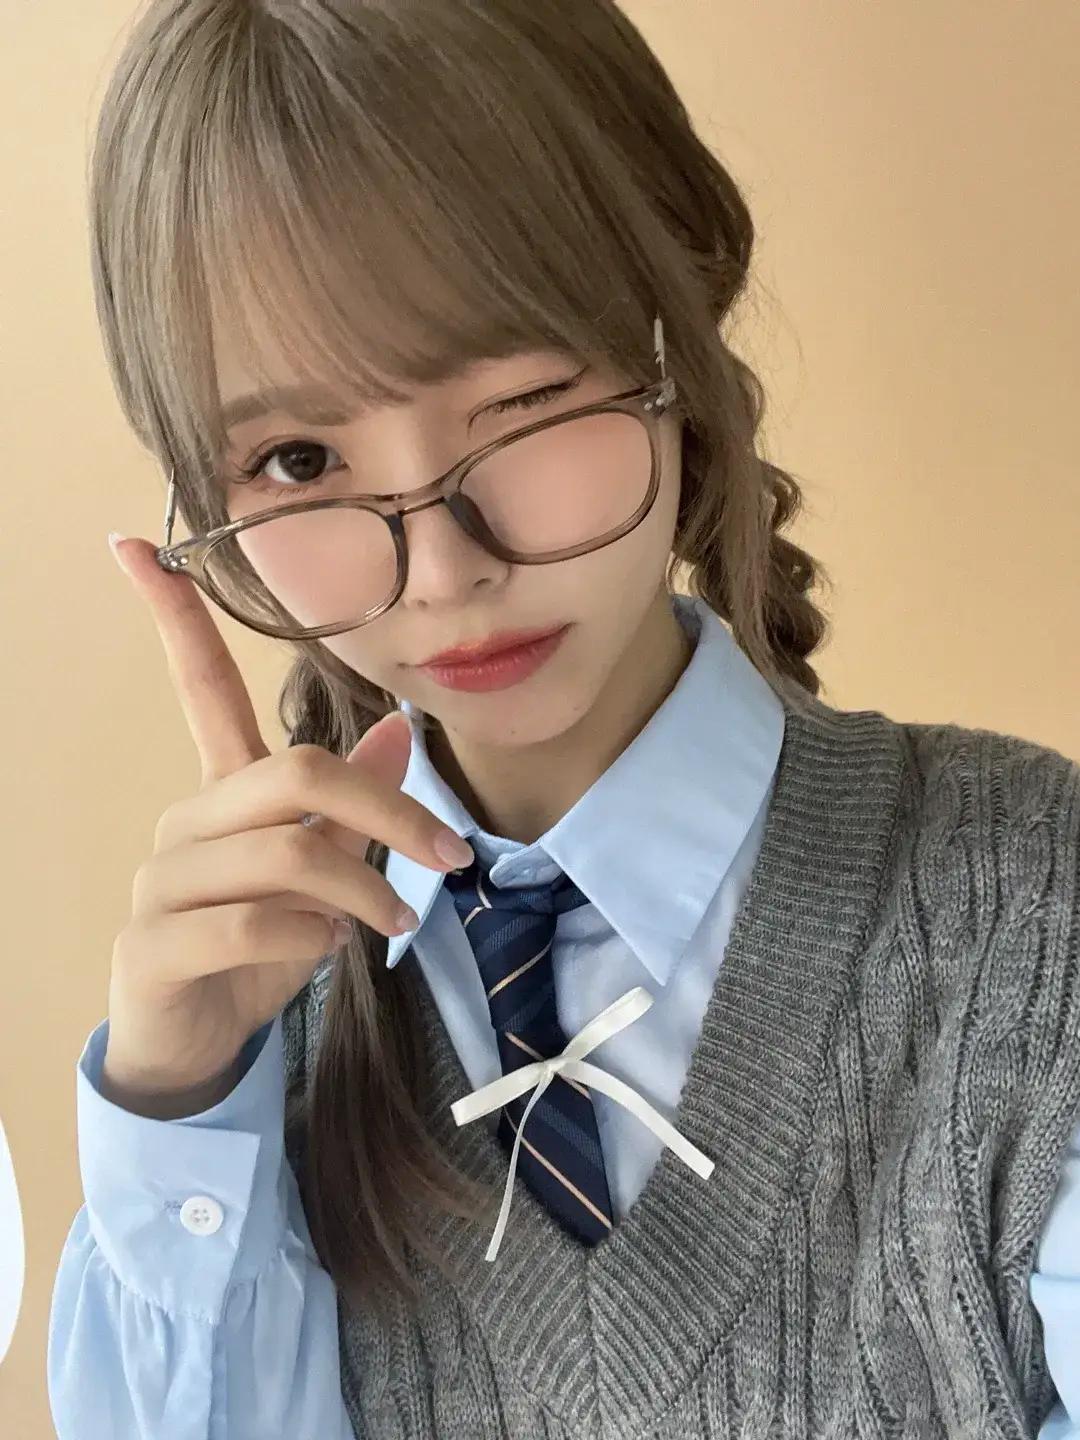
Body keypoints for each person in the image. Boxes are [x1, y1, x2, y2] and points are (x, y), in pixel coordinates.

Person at [46, 1, 1080, 1436]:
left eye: (525, 401)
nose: (444, 569)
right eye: (300, 459)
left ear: (678, 334)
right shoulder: (241, 1065)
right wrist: (185, 1110)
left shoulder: (1033, 913)